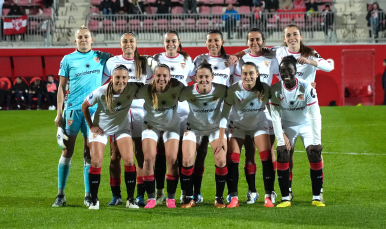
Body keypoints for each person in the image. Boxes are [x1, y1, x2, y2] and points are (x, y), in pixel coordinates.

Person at [229, 24, 332, 202]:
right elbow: (255, 47)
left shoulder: (310, 53)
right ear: (284, 38)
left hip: (306, 107)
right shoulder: (278, 52)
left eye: (295, 34)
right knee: (285, 153)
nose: (292, 38)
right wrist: (237, 55)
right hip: (285, 111)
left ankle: (318, 192)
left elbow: (329, 66)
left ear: (300, 36)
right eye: (288, 35)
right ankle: (287, 190)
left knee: (314, 152)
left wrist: (310, 62)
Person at [52, 26, 110, 207]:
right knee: (67, 151)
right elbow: (61, 88)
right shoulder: (68, 59)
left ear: (92, 40)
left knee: (88, 153)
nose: (84, 39)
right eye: (80, 37)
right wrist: (58, 113)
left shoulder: (102, 58)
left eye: (86, 37)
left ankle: (88, 195)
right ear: (75, 41)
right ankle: (60, 195)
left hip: (92, 111)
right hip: (72, 111)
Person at [103, 32, 156, 207]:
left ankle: (139, 195)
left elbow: (152, 85)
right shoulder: (111, 62)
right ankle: (116, 194)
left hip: (140, 111)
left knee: (139, 154)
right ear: (120, 44)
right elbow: (101, 84)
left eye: (131, 41)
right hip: (118, 112)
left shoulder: (144, 63)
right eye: (125, 41)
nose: (128, 44)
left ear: (136, 43)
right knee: (114, 155)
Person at [81, 64, 141, 209]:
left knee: (129, 161)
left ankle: (130, 200)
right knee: (96, 162)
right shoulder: (101, 91)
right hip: (101, 128)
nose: (121, 81)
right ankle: (94, 200)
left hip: (121, 128)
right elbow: (84, 105)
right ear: (112, 78)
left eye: (124, 77)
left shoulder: (132, 88)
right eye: (117, 77)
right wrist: (91, 126)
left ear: (128, 78)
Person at [231, 28, 279, 205]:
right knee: (249, 152)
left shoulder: (271, 58)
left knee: (268, 151)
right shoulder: (240, 60)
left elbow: (280, 79)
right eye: (251, 40)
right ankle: (252, 191)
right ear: (247, 42)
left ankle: (270, 191)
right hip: (245, 110)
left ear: (263, 41)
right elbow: (234, 83)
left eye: (258, 39)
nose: (254, 43)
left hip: (265, 110)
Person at [270, 56, 324, 208]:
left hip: (306, 124)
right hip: (288, 125)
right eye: (282, 70)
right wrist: (281, 140)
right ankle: (285, 197)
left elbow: (314, 114)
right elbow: (274, 115)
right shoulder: (275, 89)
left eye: (289, 70)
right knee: (282, 154)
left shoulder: (307, 87)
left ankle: (317, 197)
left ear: (295, 71)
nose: (285, 73)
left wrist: (316, 140)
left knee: (314, 153)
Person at [188, 30, 234, 204]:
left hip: (221, 116)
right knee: (199, 154)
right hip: (200, 114)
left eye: (216, 40)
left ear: (222, 41)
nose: (213, 43)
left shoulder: (231, 61)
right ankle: (196, 193)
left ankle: (225, 194)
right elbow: (189, 81)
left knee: (223, 154)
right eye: (209, 40)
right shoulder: (199, 60)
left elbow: (235, 84)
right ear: (206, 42)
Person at [221, 62, 275, 208]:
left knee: (266, 156)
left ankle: (268, 196)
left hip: (258, 125)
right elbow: (224, 113)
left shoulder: (265, 88)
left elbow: (272, 111)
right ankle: (234, 198)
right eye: (245, 73)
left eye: (251, 73)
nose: (248, 76)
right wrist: (221, 135)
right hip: (237, 126)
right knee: (232, 158)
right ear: (241, 75)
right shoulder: (234, 89)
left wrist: (279, 130)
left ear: (257, 74)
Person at [153, 30, 195, 205]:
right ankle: (160, 192)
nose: (170, 44)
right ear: (163, 43)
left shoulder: (187, 60)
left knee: (181, 154)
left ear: (179, 43)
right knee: (161, 154)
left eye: (173, 41)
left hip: (183, 112)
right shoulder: (155, 60)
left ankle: (184, 193)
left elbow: (197, 79)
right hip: (162, 113)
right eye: (167, 41)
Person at [179, 61, 228, 208]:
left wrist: (221, 136)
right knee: (187, 160)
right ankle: (188, 198)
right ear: (195, 78)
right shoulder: (187, 91)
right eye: (200, 77)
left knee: (220, 160)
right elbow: (174, 98)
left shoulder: (222, 90)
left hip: (214, 129)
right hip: (193, 128)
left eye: (207, 76)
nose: (204, 80)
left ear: (212, 77)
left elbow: (230, 106)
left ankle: (219, 198)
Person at [135, 64, 184, 209]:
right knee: (149, 158)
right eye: (158, 75)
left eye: (164, 76)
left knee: (172, 158)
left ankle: (171, 198)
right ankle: (151, 198)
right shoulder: (145, 90)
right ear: (153, 77)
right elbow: (128, 92)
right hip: (151, 126)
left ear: (170, 77)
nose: (161, 78)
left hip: (171, 126)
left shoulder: (178, 87)